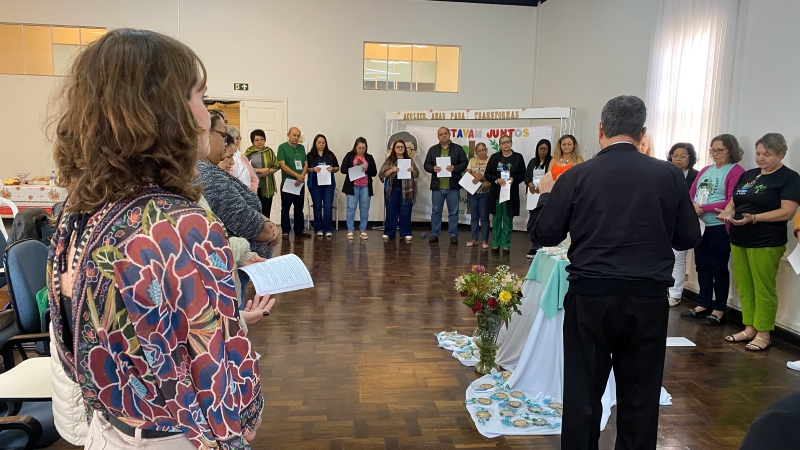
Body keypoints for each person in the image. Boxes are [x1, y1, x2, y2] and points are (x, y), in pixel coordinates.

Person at [47, 29, 264, 449]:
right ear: (164, 111)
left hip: (109, 430)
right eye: (200, 98)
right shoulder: (180, 224)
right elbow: (223, 389)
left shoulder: (80, 212)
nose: (207, 117)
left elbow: (106, 341)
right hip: (175, 437)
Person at [533, 95, 701, 449]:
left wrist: (546, 195)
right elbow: (688, 236)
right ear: (641, 132)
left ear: (600, 130)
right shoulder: (669, 174)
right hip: (647, 298)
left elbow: (545, 234)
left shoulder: (577, 174)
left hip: (590, 296)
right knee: (640, 397)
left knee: (583, 396)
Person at [717, 133, 800, 351]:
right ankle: (749, 327)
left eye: (767, 154)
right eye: (758, 153)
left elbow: (787, 212)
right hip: (739, 238)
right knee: (744, 286)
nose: (761, 158)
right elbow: (735, 201)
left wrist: (754, 218)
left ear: (781, 154)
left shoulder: (789, 178)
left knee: (763, 288)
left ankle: (764, 333)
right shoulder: (750, 175)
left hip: (766, 241)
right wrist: (727, 213)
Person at [197, 111, 279, 259]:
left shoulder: (210, 169)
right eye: (223, 135)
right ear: (206, 135)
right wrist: (270, 233)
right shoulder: (208, 175)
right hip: (236, 260)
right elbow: (242, 218)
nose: (225, 141)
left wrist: (267, 221)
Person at [680, 136, 745, 319]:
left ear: (730, 150)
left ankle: (719, 308)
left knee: (718, 266)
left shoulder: (736, 171)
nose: (715, 154)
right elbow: (691, 193)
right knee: (702, 265)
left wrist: (704, 208)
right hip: (701, 224)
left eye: (720, 150)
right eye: (713, 150)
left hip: (719, 225)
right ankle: (704, 303)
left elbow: (732, 199)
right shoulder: (706, 170)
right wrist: (692, 206)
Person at [665, 143, 699, 306]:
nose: (678, 159)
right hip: (665, 219)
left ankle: (676, 293)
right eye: (675, 155)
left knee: (678, 257)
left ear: (690, 158)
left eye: (682, 156)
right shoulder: (665, 172)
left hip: (685, 221)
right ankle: (664, 289)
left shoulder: (696, 176)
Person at [423, 127, 468, 245]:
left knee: (453, 212)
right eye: (441, 134)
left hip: (452, 186)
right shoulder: (432, 150)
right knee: (436, 211)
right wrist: (433, 168)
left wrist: (455, 168)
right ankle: (434, 234)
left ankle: (453, 235)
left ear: (449, 134)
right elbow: (426, 165)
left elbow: (464, 163)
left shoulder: (457, 149)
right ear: (438, 137)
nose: (443, 136)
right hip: (437, 187)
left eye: (445, 133)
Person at [484, 135, 525, 255]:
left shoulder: (518, 157)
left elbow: (523, 174)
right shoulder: (495, 157)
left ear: (511, 143)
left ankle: (506, 245)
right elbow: (487, 174)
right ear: (499, 145)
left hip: (510, 194)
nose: (506, 144)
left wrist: (514, 178)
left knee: (508, 220)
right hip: (497, 193)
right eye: (503, 143)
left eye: (508, 142)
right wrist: (497, 179)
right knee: (496, 219)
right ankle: (495, 244)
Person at [379, 139, 419, 241]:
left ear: (405, 149)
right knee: (391, 212)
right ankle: (389, 233)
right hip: (392, 190)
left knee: (405, 212)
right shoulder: (389, 160)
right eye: (398, 147)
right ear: (394, 149)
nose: (400, 149)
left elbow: (417, 174)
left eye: (402, 147)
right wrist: (392, 170)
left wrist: (412, 170)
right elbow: (382, 174)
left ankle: (405, 233)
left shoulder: (410, 160)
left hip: (407, 191)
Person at [277, 127, 312, 237]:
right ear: (288, 134)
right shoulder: (282, 147)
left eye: (298, 136)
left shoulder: (301, 148)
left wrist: (301, 176)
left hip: (300, 184)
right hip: (288, 184)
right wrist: (297, 176)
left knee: (299, 208)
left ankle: (299, 230)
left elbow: (306, 163)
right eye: (294, 135)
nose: (296, 137)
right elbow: (283, 165)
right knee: (286, 208)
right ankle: (285, 230)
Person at [341, 137, 377, 240]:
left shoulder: (369, 157)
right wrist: (354, 168)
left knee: (364, 209)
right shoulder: (350, 155)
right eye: (359, 148)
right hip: (352, 186)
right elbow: (343, 169)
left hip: (365, 186)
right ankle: (350, 230)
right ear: (355, 147)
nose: (361, 150)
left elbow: (374, 172)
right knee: (351, 208)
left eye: (363, 148)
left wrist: (367, 169)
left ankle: (363, 230)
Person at [307, 134, 340, 237]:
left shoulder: (330, 154)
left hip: (328, 185)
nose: (321, 144)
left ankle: (328, 229)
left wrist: (333, 169)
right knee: (317, 207)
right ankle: (318, 229)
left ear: (326, 144)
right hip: (315, 185)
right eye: (319, 142)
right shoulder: (310, 155)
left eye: (323, 143)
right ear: (315, 143)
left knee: (328, 206)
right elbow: (305, 169)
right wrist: (313, 169)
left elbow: (337, 167)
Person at [523, 138, 552, 258]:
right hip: (532, 194)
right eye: (541, 148)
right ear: (537, 149)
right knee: (533, 220)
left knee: (544, 220)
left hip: (544, 195)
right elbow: (526, 176)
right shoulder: (532, 161)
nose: (543, 151)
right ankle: (534, 246)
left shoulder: (551, 161)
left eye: (545, 149)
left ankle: (544, 246)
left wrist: (542, 187)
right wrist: (529, 183)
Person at [245, 129, 280, 217]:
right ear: (252, 142)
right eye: (256, 140)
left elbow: (276, 166)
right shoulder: (249, 153)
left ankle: (267, 230)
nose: (260, 142)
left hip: (267, 187)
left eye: (262, 139)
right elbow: (245, 168)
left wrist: (268, 172)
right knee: (255, 213)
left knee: (266, 212)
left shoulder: (269, 151)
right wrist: (259, 170)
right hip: (253, 187)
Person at [465, 142, 491, 249]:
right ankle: (474, 239)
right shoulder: (472, 160)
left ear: (486, 150)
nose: (481, 152)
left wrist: (482, 177)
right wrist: (476, 175)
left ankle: (484, 240)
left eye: (483, 150)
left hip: (485, 191)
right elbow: (468, 171)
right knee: (474, 217)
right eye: (479, 150)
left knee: (484, 217)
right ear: (476, 152)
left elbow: (492, 173)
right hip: (473, 192)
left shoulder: (490, 160)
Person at [227, 126, 259, 194]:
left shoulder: (243, 157)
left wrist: (253, 190)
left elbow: (254, 177)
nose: (235, 141)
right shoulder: (224, 157)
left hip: (248, 196)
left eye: (237, 138)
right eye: (232, 138)